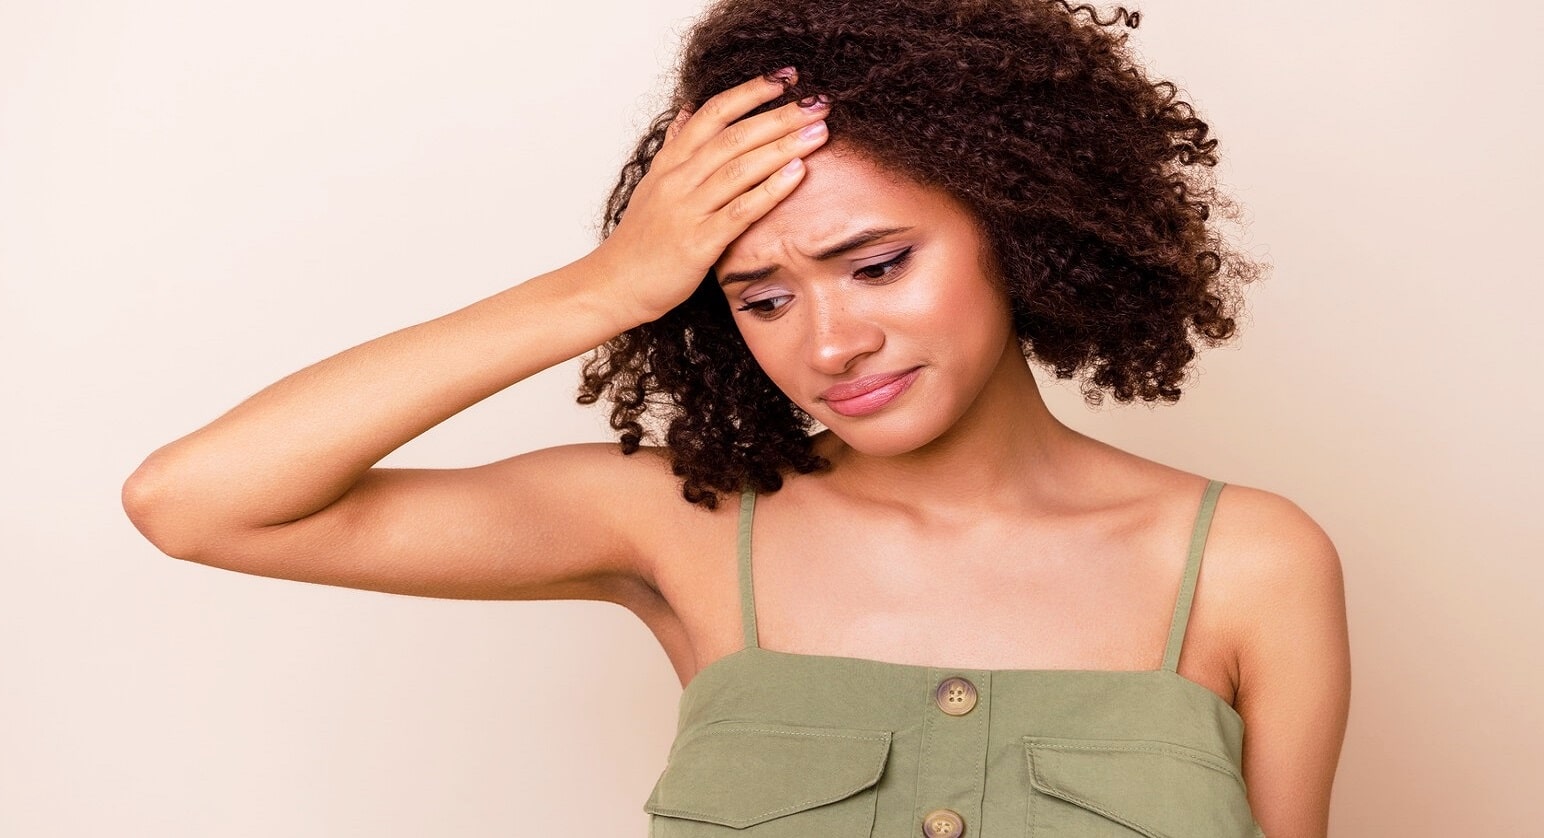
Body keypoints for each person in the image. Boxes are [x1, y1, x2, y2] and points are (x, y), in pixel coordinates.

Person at [122, 0, 1350, 835]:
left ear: (1015, 228)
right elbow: (196, 503)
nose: (827, 342)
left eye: (877, 265)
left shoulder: (1248, 561)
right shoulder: (688, 523)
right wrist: (607, 285)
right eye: (760, 295)